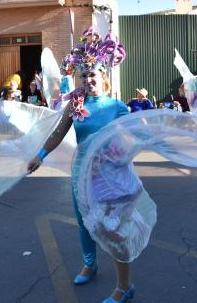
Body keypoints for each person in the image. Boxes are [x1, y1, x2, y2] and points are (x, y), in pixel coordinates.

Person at [28, 28, 138, 303]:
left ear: (103, 77)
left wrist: (116, 152)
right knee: (84, 222)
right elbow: (57, 133)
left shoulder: (117, 107)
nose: (89, 79)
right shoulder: (74, 106)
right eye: (84, 75)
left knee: (113, 228)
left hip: (110, 175)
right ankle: (90, 263)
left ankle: (124, 287)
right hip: (81, 173)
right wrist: (39, 155)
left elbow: (130, 140)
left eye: (93, 75)